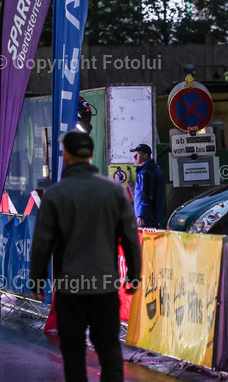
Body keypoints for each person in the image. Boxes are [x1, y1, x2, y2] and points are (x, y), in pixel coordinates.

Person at [30, 131, 141, 382]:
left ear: (67, 155)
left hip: (70, 288)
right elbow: (130, 238)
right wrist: (134, 276)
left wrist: (37, 282)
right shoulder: (114, 191)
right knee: (109, 350)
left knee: (73, 354)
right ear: (90, 155)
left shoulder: (56, 194)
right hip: (105, 287)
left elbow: (42, 242)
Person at [131, 144, 165, 228]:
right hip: (150, 215)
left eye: (137, 154)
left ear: (145, 156)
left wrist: (141, 215)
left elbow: (146, 193)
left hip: (147, 217)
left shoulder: (147, 172)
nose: (134, 157)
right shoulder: (151, 169)